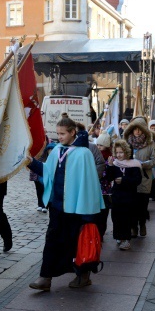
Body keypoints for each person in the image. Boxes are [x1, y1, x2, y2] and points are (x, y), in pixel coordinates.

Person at [26, 117, 104, 291]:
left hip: (77, 208)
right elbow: (46, 171)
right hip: (57, 206)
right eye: (58, 133)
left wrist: (88, 213)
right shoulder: (57, 150)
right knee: (52, 241)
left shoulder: (83, 153)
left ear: (72, 132)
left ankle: (83, 275)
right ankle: (45, 277)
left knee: (78, 241)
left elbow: (88, 184)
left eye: (62, 134)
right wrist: (31, 162)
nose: (59, 137)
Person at [123, 118, 155, 237]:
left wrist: (142, 164)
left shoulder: (150, 143)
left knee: (142, 205)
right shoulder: (126, 143)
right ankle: (134, 227)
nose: (137, 132)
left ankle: (142, 223)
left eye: (140, 129)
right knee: (131, 205)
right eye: (135, 129)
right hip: (130, 180)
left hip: (144, 178)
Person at [105, 139, 142, 250]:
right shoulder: (115, 164)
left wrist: (124, 180)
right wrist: (110, 166)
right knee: (116, 217)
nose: (119, 155)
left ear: (126, 152)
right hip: (117, 196)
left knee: (126, 218)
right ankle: (118, 236)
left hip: (129, 196)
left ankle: (126, 239)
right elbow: (109, 178)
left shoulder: (134, 164)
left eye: (121, 152)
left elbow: (137, 180)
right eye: (117, 152)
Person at [95, 131, 113, 239]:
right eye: (97, 144)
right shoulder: (94, 155)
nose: (98, 147)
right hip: (95, 190)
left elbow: (107, 175)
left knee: (103, 214)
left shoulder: (109, 157)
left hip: (105, 191)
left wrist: (109, 167)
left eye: (101, 145)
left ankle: (100, 234)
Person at [30, 138, 53, 213]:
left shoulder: (49, 143)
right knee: (38, 188)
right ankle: (40, 204)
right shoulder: (33, 142)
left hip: (44, 167)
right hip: (34, 167)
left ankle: (45, 205)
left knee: (44, 187)